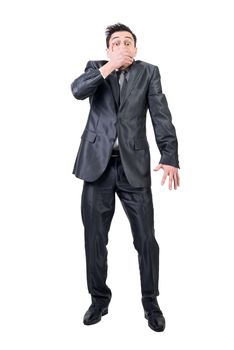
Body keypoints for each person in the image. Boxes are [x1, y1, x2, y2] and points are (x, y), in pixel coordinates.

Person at [71, 23, 180, 332]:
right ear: (109, 50)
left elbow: (161, 115)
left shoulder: (149, 72)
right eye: (116, 42)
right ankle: (99, 300)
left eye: (127, 42)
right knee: (94, 239)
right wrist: (109, 67)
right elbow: (78, 91)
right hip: (97, 167)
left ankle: (151, 303)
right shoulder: (95, 68)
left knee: (146, 240)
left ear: (136, 48)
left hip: (134, 167)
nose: (122, 46)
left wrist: (169, 156)